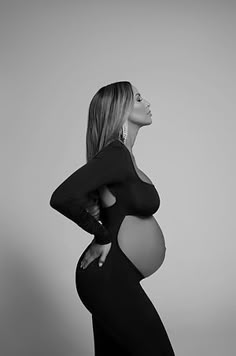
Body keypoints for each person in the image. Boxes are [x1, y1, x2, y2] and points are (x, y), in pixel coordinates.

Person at [49, 81, 175, 355]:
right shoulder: (116, 154)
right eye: (138, 99)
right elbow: (62, 196)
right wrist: (101, 235)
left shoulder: (124, 156)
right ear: (120, 110)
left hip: (115, 278)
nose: (147, 102)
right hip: (109, 278)